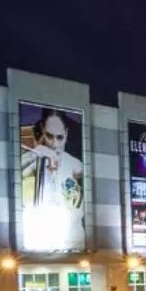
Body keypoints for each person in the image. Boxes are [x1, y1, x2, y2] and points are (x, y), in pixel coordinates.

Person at [20, 107, 85, 252]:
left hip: (73, 242)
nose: (55, 144)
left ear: (66, 133)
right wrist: (34, 157)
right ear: (43, 130)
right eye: (49, 136)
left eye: (60, 137)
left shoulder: (73, 163)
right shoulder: (34, 158)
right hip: (37, 242)